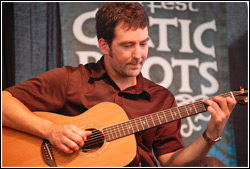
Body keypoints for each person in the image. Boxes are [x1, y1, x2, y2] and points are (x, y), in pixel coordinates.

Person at [2, 2, 236, 167]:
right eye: (127, 46)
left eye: (143, 44)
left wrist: (210, 135)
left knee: (211, 164)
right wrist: (51, 130)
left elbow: (171, 163)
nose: (138, 55)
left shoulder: (161, 98)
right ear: (104, 45)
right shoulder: (71, 79)